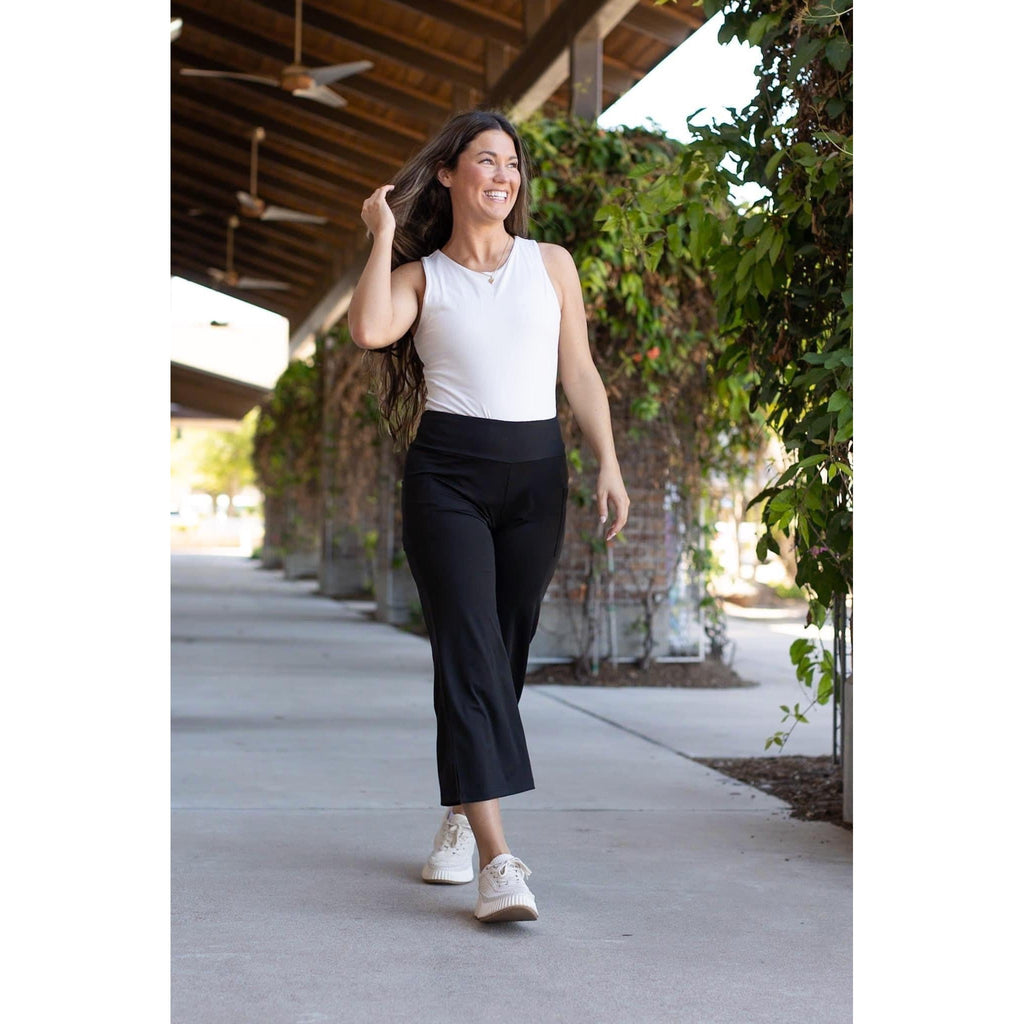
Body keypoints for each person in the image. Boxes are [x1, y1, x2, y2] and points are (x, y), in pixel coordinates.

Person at [348, 109, 629, 922]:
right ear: (448, 174)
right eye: (486, 160)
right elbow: (368, 328)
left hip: (537, 474)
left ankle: (460, 813)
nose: (503, 176)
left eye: (512, 163)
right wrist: (381, 234)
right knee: (469, 650)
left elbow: (579, 373)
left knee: (503, 651)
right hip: (449, 479)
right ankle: (499, 862)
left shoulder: (552, 265)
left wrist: (608, 462)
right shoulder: (421, 277)